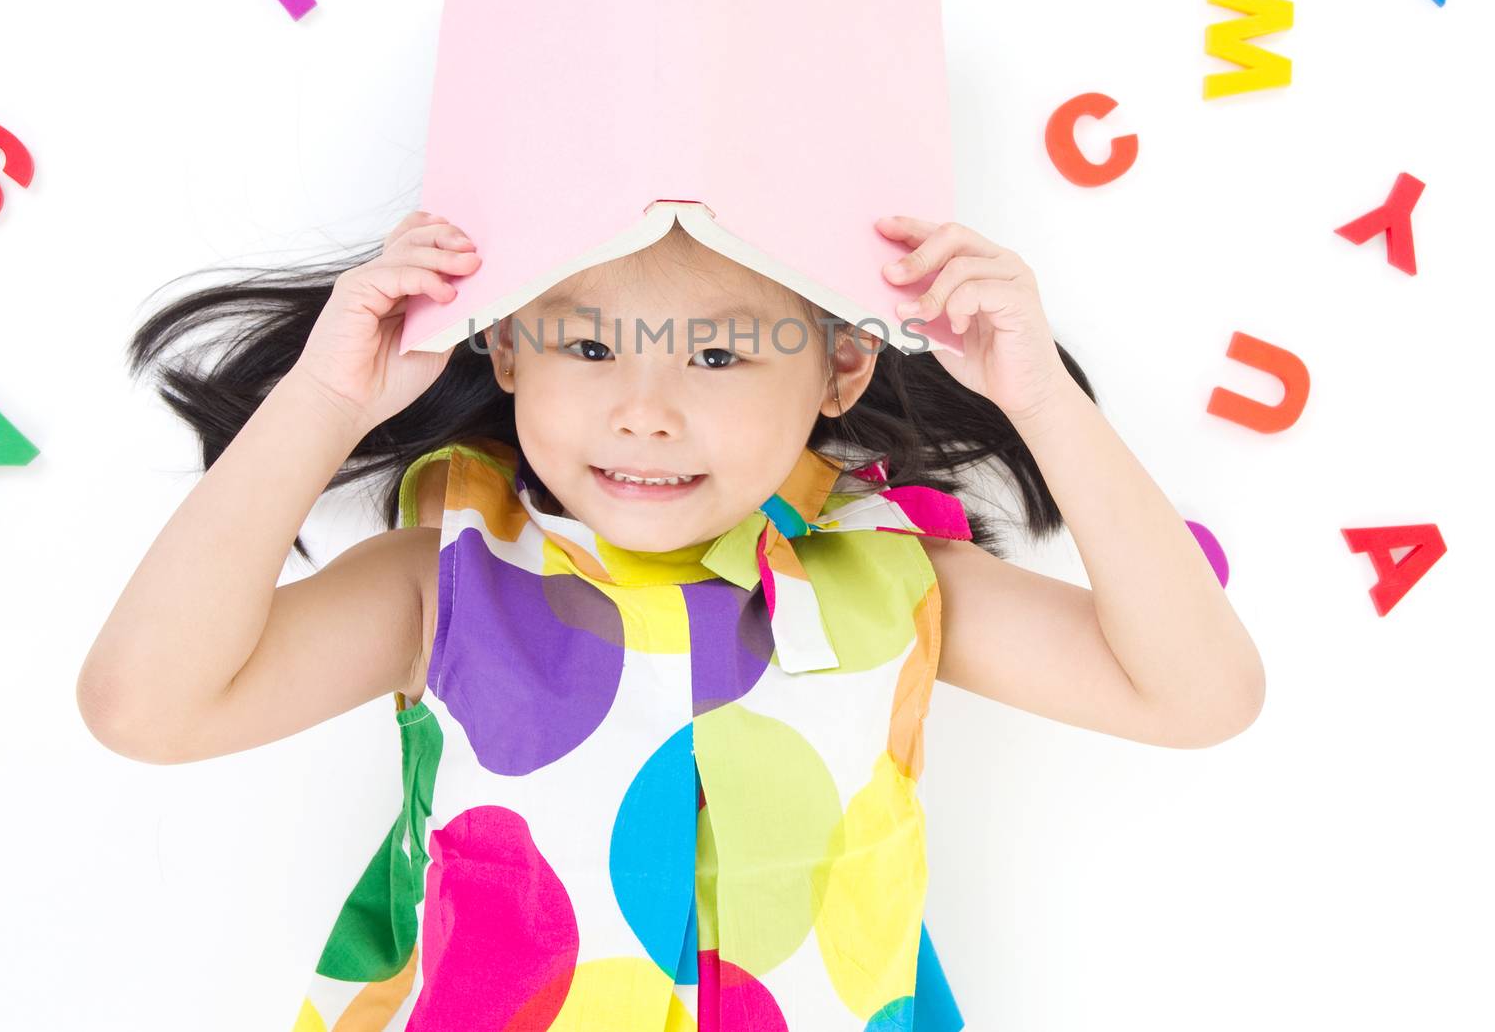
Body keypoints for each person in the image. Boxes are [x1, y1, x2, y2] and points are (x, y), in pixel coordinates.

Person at [77, 207, 1265, 1031]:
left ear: (841, 371)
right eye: (589, 344)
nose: (643, 411)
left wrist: (1037, 395)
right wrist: (325, 399)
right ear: (506, 346)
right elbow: (147, 706)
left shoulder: (890, 582)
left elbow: (1196, 694)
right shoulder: (446, 578)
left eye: (719, 354)